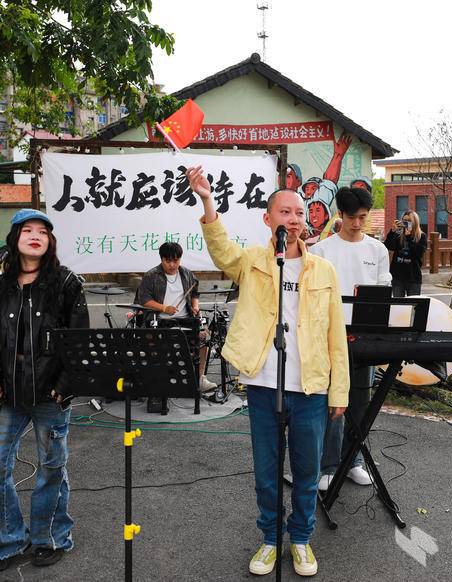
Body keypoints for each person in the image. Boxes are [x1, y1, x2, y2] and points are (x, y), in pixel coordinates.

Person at [186, 166, 349, 578]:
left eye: (299, 213)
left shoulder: (324, 271)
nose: (293, 220)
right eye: (285, 212)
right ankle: (271, 539)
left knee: (307, 472)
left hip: (311, 388)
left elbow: (336, 336)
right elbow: (221, 251)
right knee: (267, 472)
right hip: (263, 386)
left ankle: (301, 540)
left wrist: (339, 392)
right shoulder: (253, 261)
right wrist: (207, 200)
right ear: (268, 218)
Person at [0, 209, 89, 574]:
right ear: (15, 238)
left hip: (50, 393)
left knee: (51, 468)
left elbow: (79, 340)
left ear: (50, 241)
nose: (36, 236)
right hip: (9, 392)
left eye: (43, 231)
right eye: (28, 230)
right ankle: (7, 541)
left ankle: (49, 538)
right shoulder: (0, 284)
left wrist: (64, 385)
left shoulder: (66, 282)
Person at [310, 186, 390, 492]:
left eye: (363, 217)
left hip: (364, 337)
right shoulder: (322, 251)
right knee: (333, 402)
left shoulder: (377, 250)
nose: (357, 223)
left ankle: (353, 460)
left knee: (360, 400)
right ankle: (329, 465)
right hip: (330, 337)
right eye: (352, 217)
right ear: (340, 215)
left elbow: (383, 291)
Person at [136, 241, 217, 392]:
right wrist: (164, 308)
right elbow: (144, 300)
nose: (172, 265)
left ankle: (199, 378)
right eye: (168, 261)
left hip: (185, 320)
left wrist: (195, 306)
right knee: (155, 344)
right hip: (160, 321)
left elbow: (195, 292)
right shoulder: (151, 276)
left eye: (176, 260)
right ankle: (159, 381)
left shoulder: (186, 274)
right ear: (161, 259)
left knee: (203, 337)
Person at [384, 210, 427, 297]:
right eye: (404, 220)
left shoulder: (421, 236)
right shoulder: (398, 234)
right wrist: (392, 231)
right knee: (398, 303)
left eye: (409, 221)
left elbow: (418, 254)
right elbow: (388, 247)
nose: (406, 223)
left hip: (413, 276)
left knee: (413, 303)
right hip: (397, 276)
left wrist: (409, 237)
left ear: (414, 222)